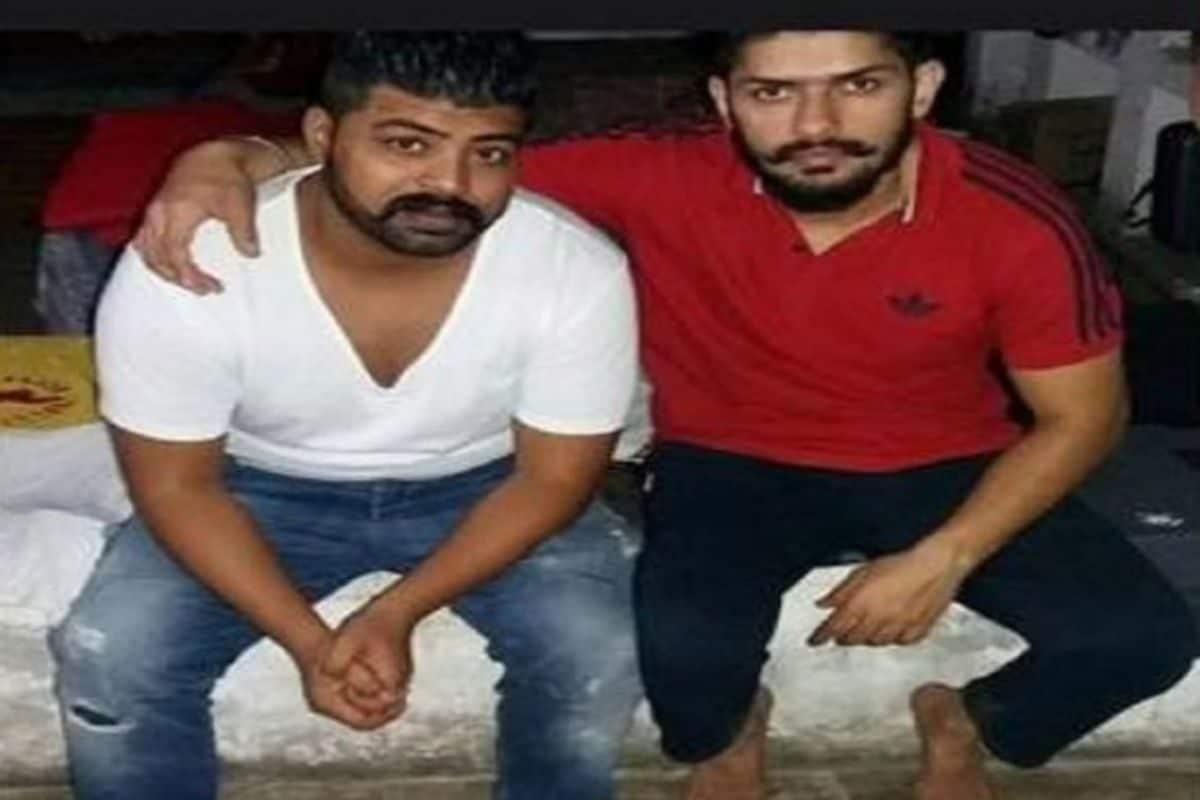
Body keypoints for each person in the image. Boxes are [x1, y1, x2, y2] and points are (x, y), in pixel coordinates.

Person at [133, 30, 1198, 800]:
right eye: (774, 92)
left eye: (857, 86)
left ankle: (968, 721)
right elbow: (431, 157)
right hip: (729, 458)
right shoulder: (655, 174)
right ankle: (732, 733)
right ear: (725, 98)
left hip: (950, 459)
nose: (815, 125)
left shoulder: (1014, 217)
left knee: (1143, 638)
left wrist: (945, 554)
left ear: (920, 87)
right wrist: (223, 157)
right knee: (681, 664)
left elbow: (1084, 421)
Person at [50, 31, 643, 800]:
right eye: (406, 144)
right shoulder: (195, 260)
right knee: (115, 658)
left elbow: (554, 481)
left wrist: (394, 615)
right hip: (249, 486)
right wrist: (309, 643)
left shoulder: (572, 269)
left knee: (599, 645)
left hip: (490, 484)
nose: (450, 183)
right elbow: (177, 488)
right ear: (323, 136)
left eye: (489, 153)